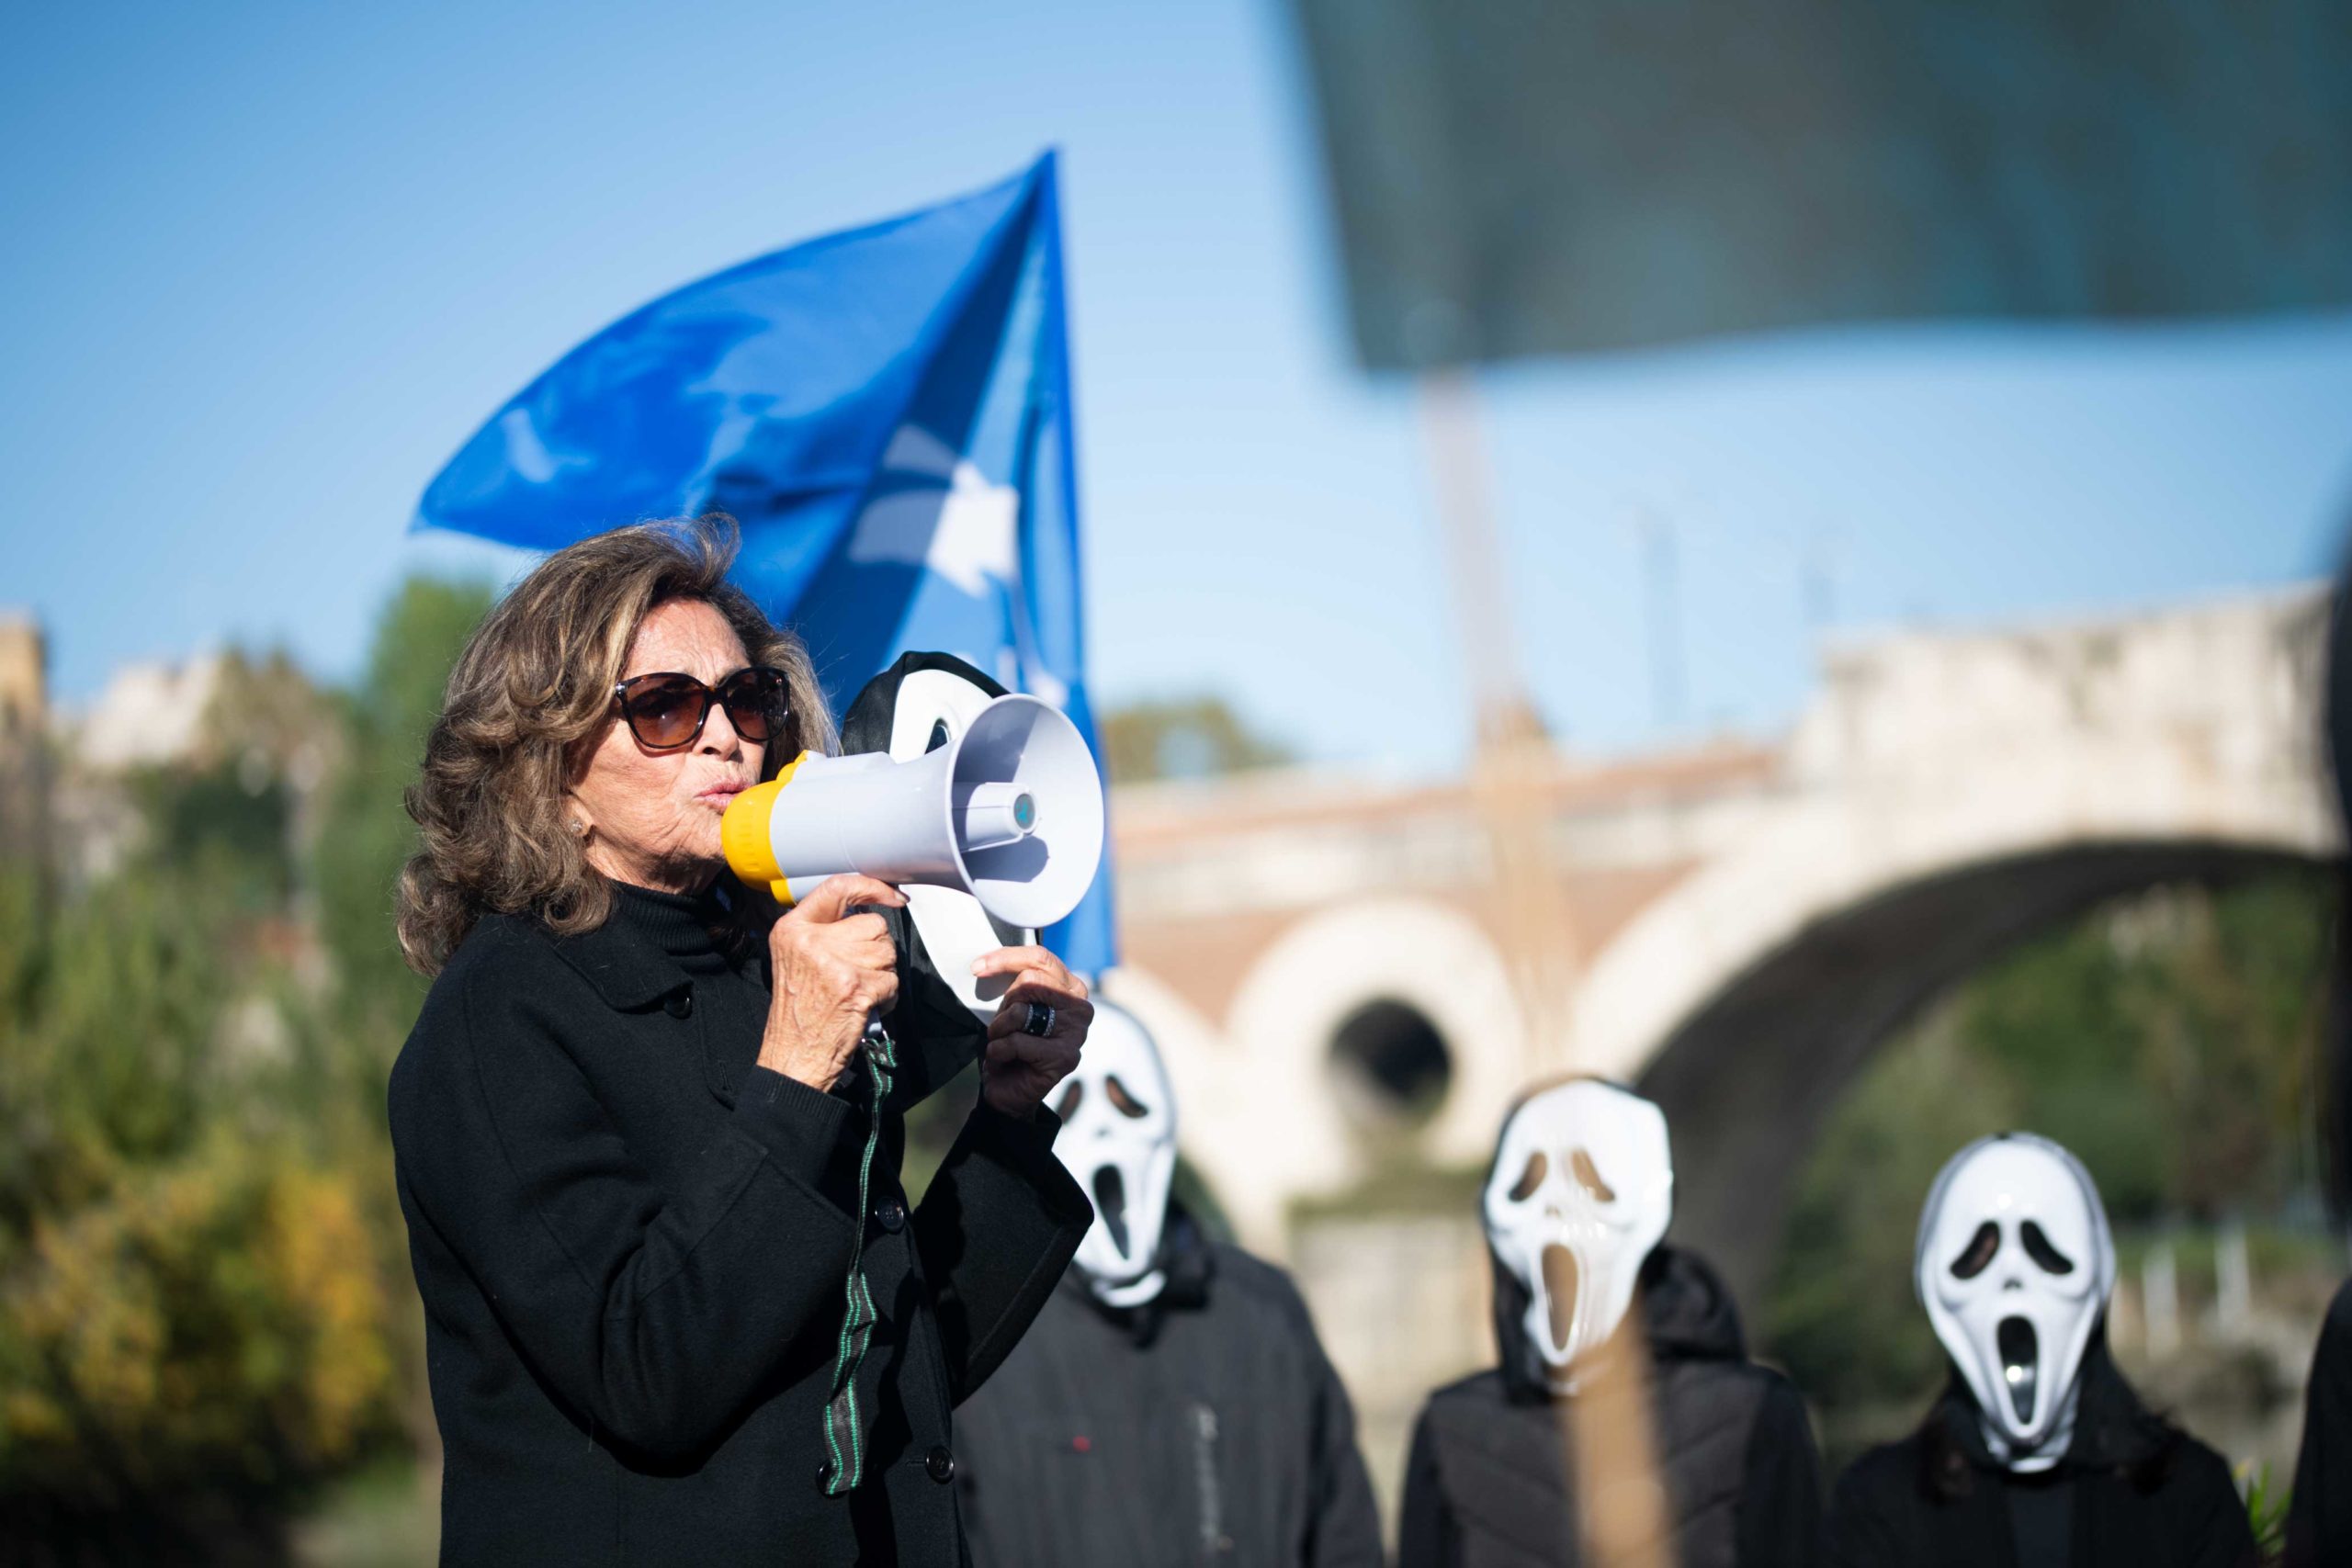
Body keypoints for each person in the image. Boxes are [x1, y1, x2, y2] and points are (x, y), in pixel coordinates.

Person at [385, 519, 1095, 1566]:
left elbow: (905, 1366)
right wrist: (797, 1070)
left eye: (745, 698)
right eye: (665, 707)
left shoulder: (772, 969)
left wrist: (1006, 1117)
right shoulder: (498, 1020)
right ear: (544, 759)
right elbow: (645, 1375)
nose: (725, 735)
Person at [952, 1000, 1383, 1566]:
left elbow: (1342, 1530)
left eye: (1127, 1102)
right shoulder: (984, 1332)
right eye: (1073, 1105)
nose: (1105, 1129)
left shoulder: (1262, 1311)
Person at [1398, 1077, 1821, 1568]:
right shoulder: (1452, 1429)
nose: (1558, 1210)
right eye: (1529, 1185)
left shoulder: (1752, 1414)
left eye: (1592, 1182)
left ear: (1647, 1202)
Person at [1826, 1133, 2256, 1568]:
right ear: (1935, 1286)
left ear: (2094, 1272)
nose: (2013, 1276)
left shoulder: (2186, 1492)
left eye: (2044, 1248)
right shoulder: (1881, 1505)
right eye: (1978, 1254)